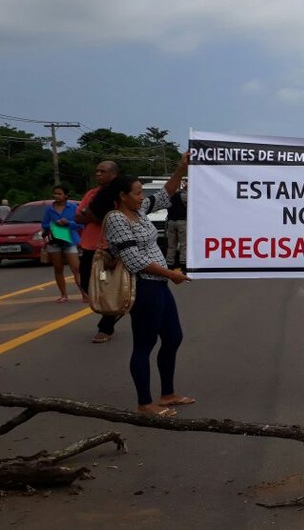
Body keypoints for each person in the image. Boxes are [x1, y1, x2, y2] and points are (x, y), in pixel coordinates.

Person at [90, 154, 193, 416]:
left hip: (159, 285)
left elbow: (164, 194)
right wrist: (172, 274)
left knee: (173, 337)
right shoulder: (116, 219)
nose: (141, 197)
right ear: (122, 196)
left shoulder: (139, 210)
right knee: (144, 345)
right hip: (144, 287)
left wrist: (181, 168)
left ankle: (167, 393)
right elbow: (134, 260)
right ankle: (145, 403)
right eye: (136, 193)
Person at [75, 160, 121, 343]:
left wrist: (91, 216)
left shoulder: (120, 195)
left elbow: (112, 219)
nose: (98, 174)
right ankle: (110, 314)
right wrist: (95, 216)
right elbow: (78, 216)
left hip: (110, 247)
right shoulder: (92, 193)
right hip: (89, 246)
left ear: (113, 174)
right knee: (86, 284)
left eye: (102, 171)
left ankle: (106, 326)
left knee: (109, 287)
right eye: (97, 171)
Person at [42, 185, 86, 303]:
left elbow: (80, 224)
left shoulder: (73, 207)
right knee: (58, 268)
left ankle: (84, 294)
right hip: (55, 240)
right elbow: (44, 224)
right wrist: (54, 224)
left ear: (65, 195)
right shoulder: (49, 209)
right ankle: (63, 295)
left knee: (76, 268)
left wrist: (68, 223)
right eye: (55, 193)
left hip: (70, 240)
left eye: (59, 193)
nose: (56, 196)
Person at [166, 179, 188, 271]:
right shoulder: (182, 195)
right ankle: (183, 263)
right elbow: (190, 201)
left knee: (171, 244)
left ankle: (169, 263)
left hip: (171, 221)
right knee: (184, 244)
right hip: (182, 221)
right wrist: (187, 188)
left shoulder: (168, 195)